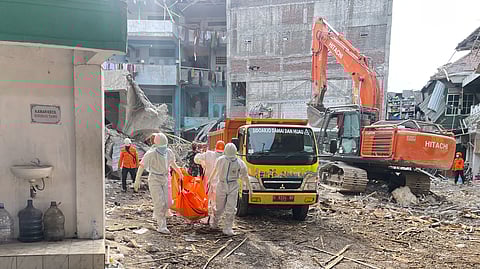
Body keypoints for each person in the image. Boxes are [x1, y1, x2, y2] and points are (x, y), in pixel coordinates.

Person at [133, 133, 182, 234]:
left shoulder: (168, 152)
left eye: (165, 146)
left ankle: (158, 212)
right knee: (160, 203)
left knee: (168, 202)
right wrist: (137, 181)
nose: (163, 149)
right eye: (161, 147)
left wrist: (179, 172)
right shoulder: (150, 154)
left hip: (165, 178)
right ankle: (161, 226)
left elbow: (173, 163)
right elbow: (141, 166)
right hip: (154, 179)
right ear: (156, 145)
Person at [209, 143, 248, 236]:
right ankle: (214, 221)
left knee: (231, 208)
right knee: (219, 207)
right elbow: (215, 170)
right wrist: (210, 180)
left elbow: (245, 176)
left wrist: (248, 187)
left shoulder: (240, 163)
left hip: (233, 185)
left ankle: (228, 227)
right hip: (221, 184)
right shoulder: (220, 160)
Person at [194, 140, 225, 221]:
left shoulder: (223, 157)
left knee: (213, 201)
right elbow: (196, 158)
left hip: (215, 182)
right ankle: (209, 217)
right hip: (210, 181)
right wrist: (201, 162)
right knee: (208, 200)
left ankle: (211, 218)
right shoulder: (210, 155)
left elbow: (197, 158)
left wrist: (201, 161)